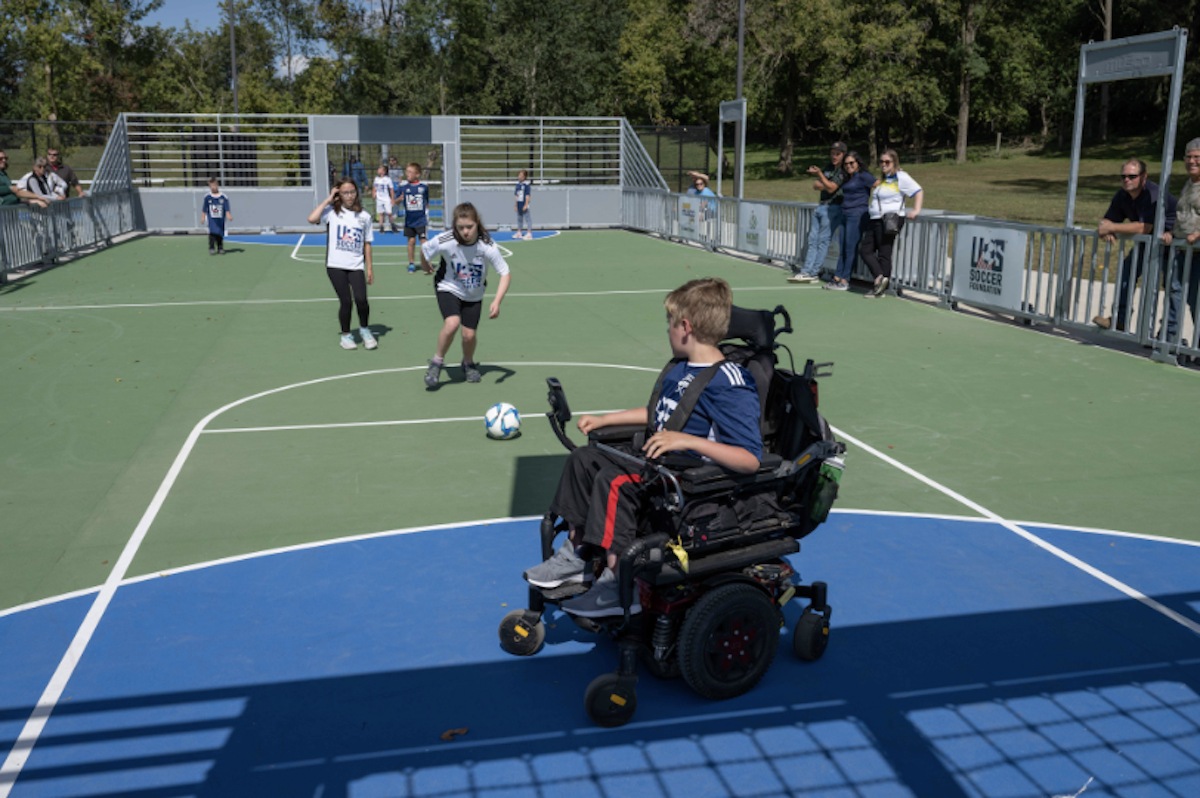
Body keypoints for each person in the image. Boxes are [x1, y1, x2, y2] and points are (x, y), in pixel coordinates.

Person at [522, 277, 763, 617]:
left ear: (685, 327)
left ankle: (617, 585)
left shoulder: (729, 383)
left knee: (615, 480)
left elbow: (750, 459)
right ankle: (576, 556)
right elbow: (658, 413)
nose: (667, 329)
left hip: (687, 480)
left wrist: (686, 440)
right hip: (659, 462)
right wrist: (606, 420)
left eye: (670, 322)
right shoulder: (680, 368)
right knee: (584, 458)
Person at [420, 203, 510, 387]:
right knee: (452, 323)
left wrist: (497, 301)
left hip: (474, 292)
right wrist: (424, 264)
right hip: (448, 286)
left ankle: (468, 363)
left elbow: (505, 273)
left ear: (477, 222)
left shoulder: (487, 245)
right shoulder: (446, 240)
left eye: (469, 226)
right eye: (460, 227)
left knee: (469, 335)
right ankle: (437, 363)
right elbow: (425, 249)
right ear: (455, 225)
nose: (465, 232)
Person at [1092, 159, 1180, 338]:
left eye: (1132, 176)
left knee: (1172, 288)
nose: (1126, 180)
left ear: (1143, 176)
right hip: (1146, 244)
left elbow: (1144, 227)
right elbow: (1107, 220)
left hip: (1171, 244)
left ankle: (1168, 334)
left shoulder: (1153, 194)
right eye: (1123, 176)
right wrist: (1105, 227)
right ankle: (1120, 320)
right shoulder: (1122, 195)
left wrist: (1112, 228)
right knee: (1126, 273)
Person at [307, 178, 377, 351]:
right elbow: (312, 219)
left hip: (356, 265)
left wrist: (369, 268)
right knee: (346, 301)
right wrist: (328, 199)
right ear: (339, 194)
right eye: (345, 192)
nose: (349, 196)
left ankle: (365, 330)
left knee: (361, 300)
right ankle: (346, 336)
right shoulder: (331, 212)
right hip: (335, 265)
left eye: (352, 192)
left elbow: (367, 243)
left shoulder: (364, 216)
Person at [860, 149, 923, 299]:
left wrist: (916, 210)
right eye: (881, 161)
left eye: (887, 162)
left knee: (884, 252)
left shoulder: (901, 176)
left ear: (894, 162)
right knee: (865, 250)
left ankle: (880, 287)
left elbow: (918, 191)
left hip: (889, 219)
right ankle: (880, 278)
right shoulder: (886, 178)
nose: (883, 164)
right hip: (876, 219)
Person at [790, 142, 848, 284]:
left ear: (843, 155)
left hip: (833, 208)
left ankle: (814, 272)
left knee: (823, 240)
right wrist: (825, 182)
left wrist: (821, 176)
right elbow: (816, 185)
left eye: (838, 154)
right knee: (812, 239)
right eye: (832, 153)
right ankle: (806, 271)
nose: (834, 156)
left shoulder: (843, 171)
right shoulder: (828, 167)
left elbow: (832, 188)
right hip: (821, 205)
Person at [1160, 139, 1200, 347]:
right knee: (1174, 293)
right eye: (1189, 157)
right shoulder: (1188, 184)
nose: (1192, 161)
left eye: (1197, 157)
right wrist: (1171, 232)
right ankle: (1170, 338)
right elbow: (1183, 215)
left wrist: (1198, 234)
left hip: (1198, 252)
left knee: (1196, 300)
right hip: (1182, 250)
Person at [825, 151, 873, 291]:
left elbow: (879, 186)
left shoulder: (864, 176)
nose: (848, 166)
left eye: (851, 163)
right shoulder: (847, 177)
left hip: (857, 215)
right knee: (842, 248)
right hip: (844, 214)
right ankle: (837, 278)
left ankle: (845, 280)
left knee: (850, 248)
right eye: (846, 164)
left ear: (858, 163)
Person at [401, 161, 430, 274]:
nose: (407, 174)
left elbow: (427, 200)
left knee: (424, 242)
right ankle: (411, 263)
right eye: (406, 171)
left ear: (417, 174)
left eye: (410, 172)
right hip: (409, 221)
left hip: (421, 220)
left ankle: (426, 263)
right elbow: (395, 201)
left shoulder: (423, 187)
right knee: (411, 241)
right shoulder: (403, 187)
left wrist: (427, 212)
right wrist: (398, 199)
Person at [201, 177, 232, 256]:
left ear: (217, 185)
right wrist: (203, 217)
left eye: (214, 186)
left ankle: (220, 248)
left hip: (220, 219)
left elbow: (226, 207)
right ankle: (211, 248)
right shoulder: (207, 197)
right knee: (212, 232)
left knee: (220, 233)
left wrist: (228, 214)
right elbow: (204, 208)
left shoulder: (223, 196)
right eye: (211, 186)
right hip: (211, 219)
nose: (213, 188)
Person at [372, 165, 395, 234]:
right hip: (379, 199)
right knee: (381, 213)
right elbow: (374, 187)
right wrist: (374, 193)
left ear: (384, 172)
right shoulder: (376, 179)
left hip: (386, 199)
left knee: (389, 213)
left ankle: (393, 225)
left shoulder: (387, 179)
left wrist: (392, 199)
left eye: (380, 169)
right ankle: (381, 227)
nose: (378, 170)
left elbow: (391, 189)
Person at [514, 169, 532, 239]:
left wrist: (526, 204)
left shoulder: (526, 185)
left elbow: (527, 195)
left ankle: (529, 233)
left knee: (527, 218)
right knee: (519, 218)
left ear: (525, 177)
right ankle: (519, 232)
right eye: (519, 175)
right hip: (519, 203)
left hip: (524, 203)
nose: (520, 177)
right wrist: (515, 205)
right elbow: (516, 195)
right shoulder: (517, 184)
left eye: (521, 175)